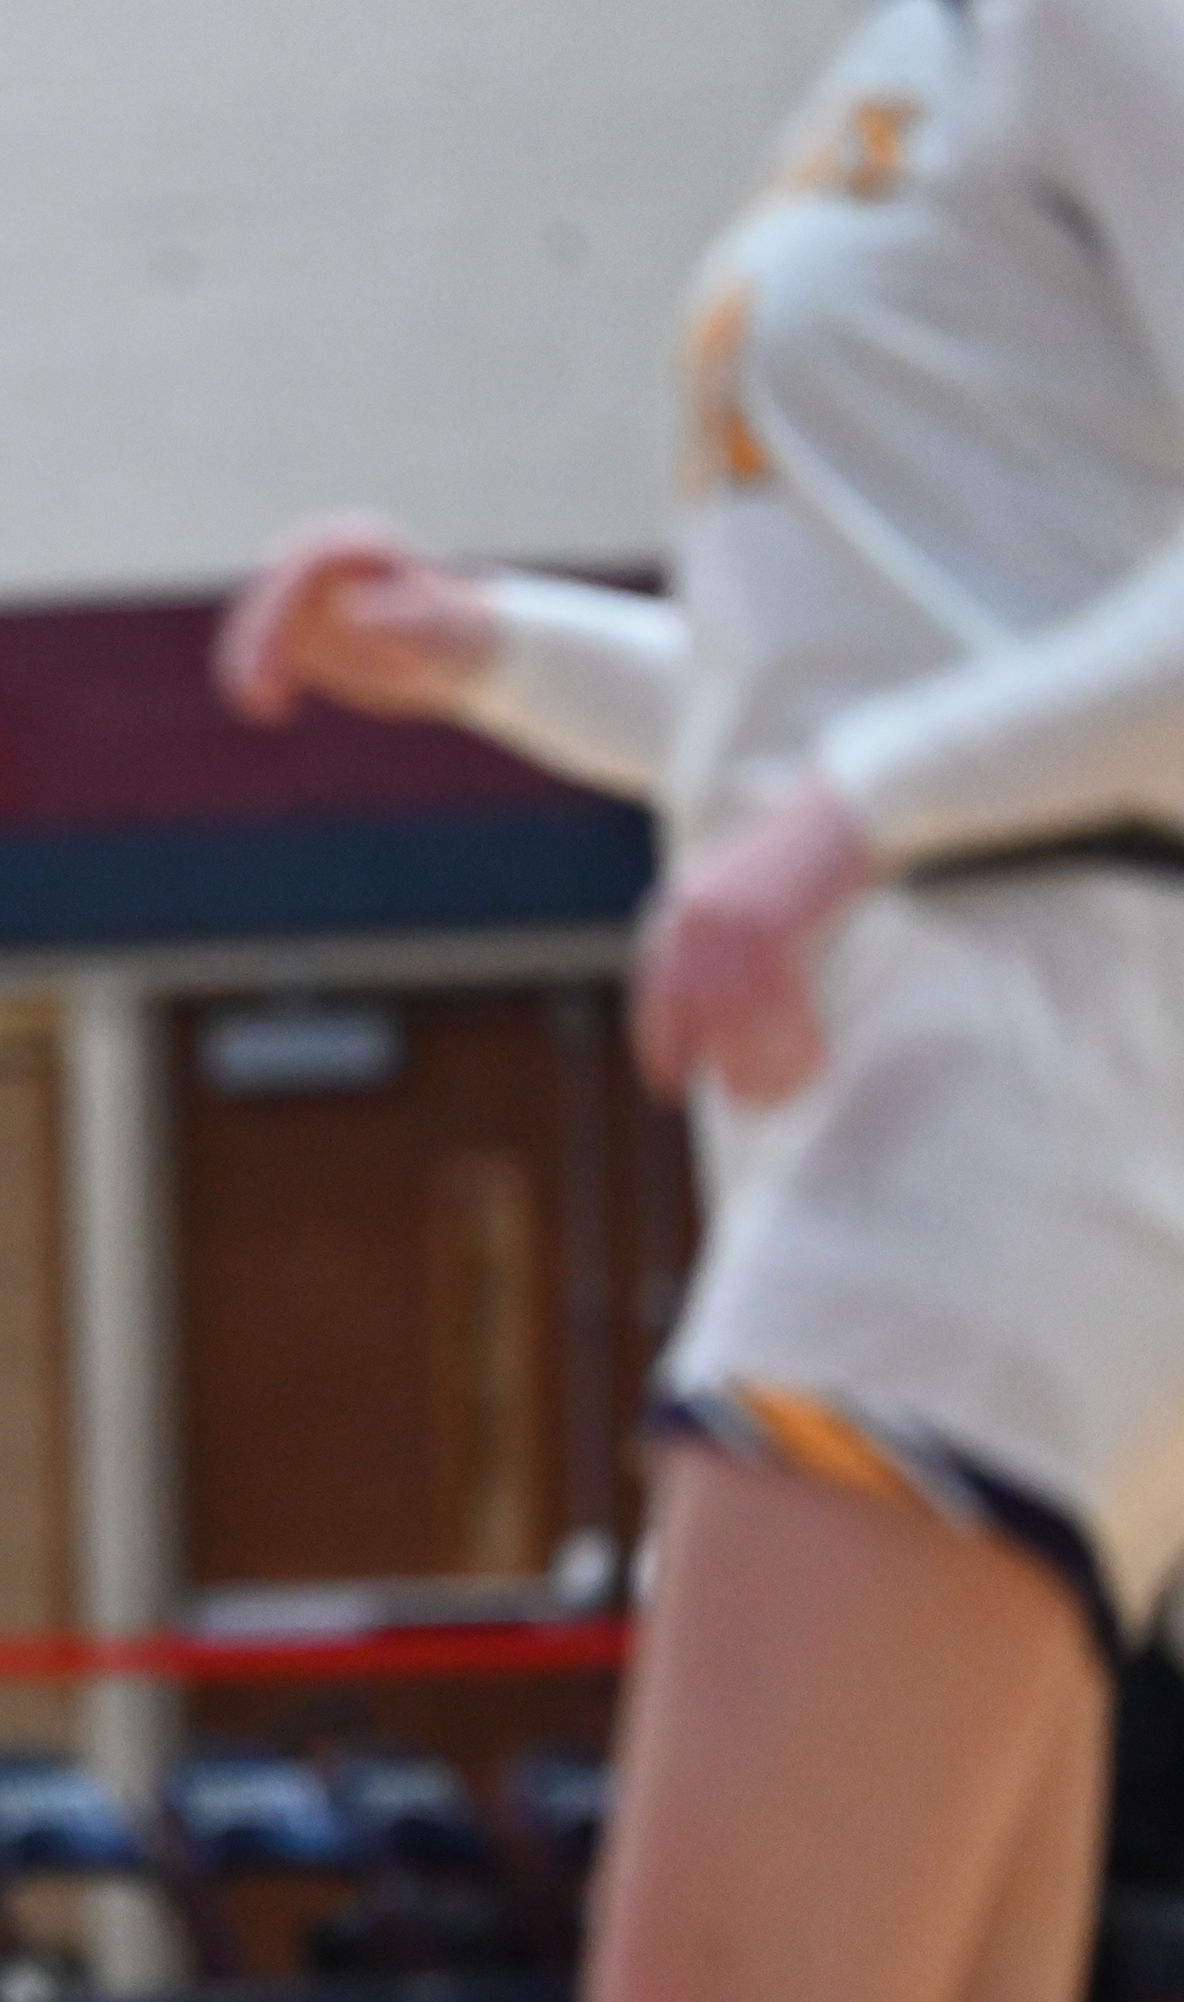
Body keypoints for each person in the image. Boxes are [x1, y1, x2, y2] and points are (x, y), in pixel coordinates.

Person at [213, 1, 1184, 1994]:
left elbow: (867, 765)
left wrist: (851, 815)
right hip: (979, 1097)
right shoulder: (904, 60)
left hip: (1006, 1086)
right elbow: (862, 693)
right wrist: (489, 648)